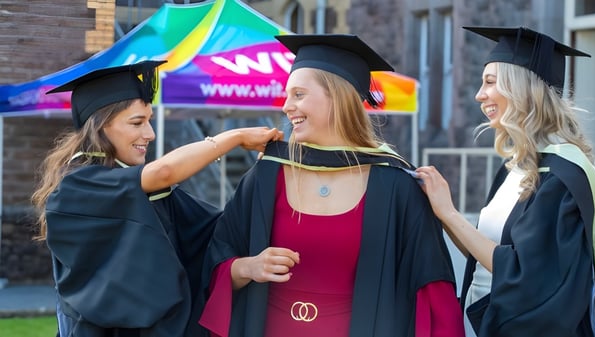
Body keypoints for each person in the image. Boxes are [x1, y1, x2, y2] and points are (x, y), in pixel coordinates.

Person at [196, 34, 465, 337]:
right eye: (287, 95)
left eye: (298, 94)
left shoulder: (396, 186)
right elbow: (216, 261)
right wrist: (246, 268)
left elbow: (432, 292)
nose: (287, 107)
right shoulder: (266, 177)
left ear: (337, 97)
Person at [31, 60, 283, 337]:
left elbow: (213, 237)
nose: (149, 134)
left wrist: (271, 172)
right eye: (137, 122)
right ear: (101, 126)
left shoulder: (152, 193)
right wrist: (235, 137)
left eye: (149, 121)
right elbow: (164, 171)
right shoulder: (77, 189)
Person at [416, 26, 595, 337]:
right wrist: (439, 211)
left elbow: (520, 273)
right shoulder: (519, 166)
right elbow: (487, 254)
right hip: (484, 321)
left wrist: (449, 213)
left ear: (521, 89)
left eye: (489, 82)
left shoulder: (561, 176)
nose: (479, 95)